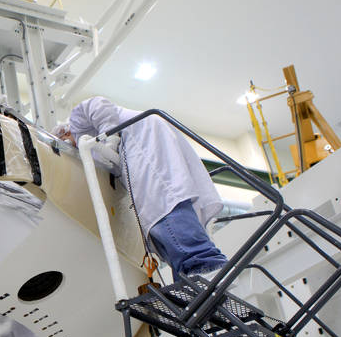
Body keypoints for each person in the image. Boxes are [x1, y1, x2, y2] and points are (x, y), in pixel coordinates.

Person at [59, 96, 226, 279]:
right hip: (149, 152)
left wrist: (110, 140)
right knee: (165, 214)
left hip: (146, 146)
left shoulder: (78, 125)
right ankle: (191, 283)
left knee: (165, 207)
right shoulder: (94, 150)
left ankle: (205, 269)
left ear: (65, 133)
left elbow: (96, 104)